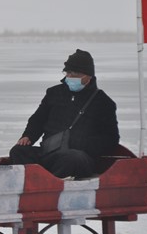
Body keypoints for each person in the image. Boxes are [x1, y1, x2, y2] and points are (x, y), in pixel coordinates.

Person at [8, 49, 119, 179]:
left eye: (75, 73)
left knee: (73, 158)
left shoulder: (103, 102)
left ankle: (48, 185)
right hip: (49, 153)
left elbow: (111, 139)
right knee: (18, 151)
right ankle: (31, 183)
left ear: (88, 76)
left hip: (79, 158)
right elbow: (38, 120)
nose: (70, 77)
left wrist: (82, 144)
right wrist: (28, 136)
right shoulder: (54, 93)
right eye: (68, 73)